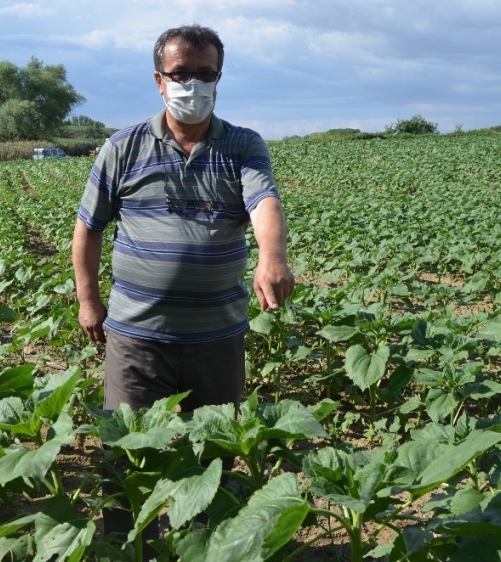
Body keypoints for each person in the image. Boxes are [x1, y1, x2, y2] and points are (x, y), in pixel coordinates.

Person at [71, 22, 295, 554]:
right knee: (127, 458)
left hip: (215, 337)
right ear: (159, 80)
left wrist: (273, 256)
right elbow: (88, 230)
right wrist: (87, 300)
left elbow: (264, 202)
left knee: (213, 459)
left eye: (204, 74)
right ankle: (130, 549)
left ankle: (208, 547)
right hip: (136, 336)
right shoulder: (123, 148)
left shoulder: (242, 145)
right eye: (180, 74)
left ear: (219, 79)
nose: (191, 84)